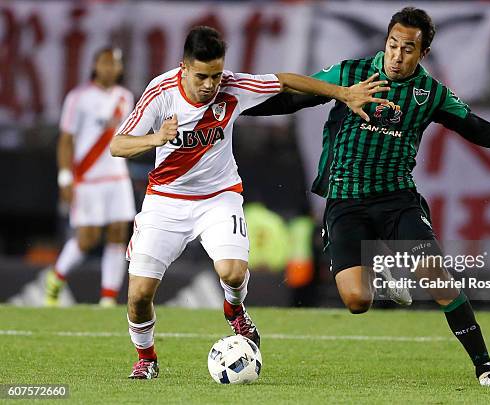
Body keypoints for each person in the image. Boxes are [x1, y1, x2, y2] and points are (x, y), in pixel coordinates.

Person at [242, 7, 490, 388]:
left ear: (423, 54)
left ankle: (486, 369)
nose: (397, 55)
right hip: (345, 200)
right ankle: (382, 267)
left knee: (438, 280)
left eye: (408, 49)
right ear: (385, 42)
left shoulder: (431, 95)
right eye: (392, 45)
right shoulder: (351, 74)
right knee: (357, 301)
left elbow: (480, 130)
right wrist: (234, 107)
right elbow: (292, 99)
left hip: (397, 199)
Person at [110, 26, 389, 379]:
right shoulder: (161, 92)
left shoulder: (231, 85)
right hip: (166, 200)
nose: (210, 85)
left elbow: (285, 81)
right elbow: (117, 145)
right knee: (138, 295)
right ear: (183, 67)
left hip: (218, 197)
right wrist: (156, 138)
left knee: (233, 271)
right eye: (201, 76)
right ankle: (147, 358)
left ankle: (235, 310)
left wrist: (343, 93)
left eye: (215, 74)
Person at [46, 47, 135, 308]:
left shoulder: (125, 97)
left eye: (114, 64)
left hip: (117, 175)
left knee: (119, 232)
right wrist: (65, 177)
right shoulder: (78, 97)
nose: (110, 68)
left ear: (120, 68)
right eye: (105, 63)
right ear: (95, 65)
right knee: (88, 237)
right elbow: (66, 140)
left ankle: (107, 298)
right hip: (87, 177)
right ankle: (55, 278)